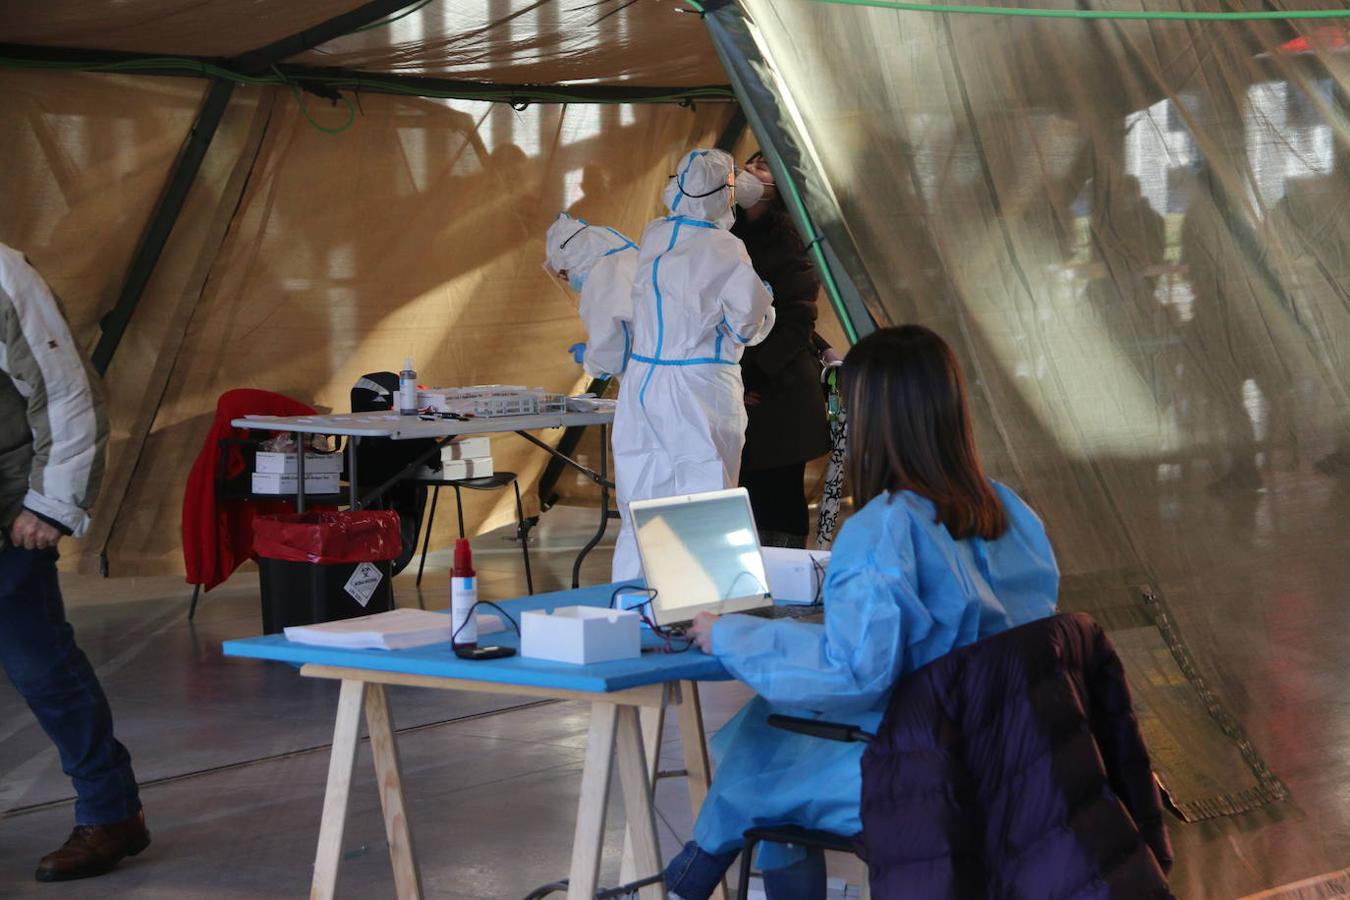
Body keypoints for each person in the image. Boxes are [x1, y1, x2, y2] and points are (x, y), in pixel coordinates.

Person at [664, 325, 1060, 900]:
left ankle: (693, 875)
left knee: (762, 746)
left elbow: (850, 672)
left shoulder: (884, 530)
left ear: (870, 418)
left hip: (916, 767)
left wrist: (731, 636)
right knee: (765, 735)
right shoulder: (1011, 511)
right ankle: (692, 870)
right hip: (1005, 754)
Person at [0, 242, 149, 881]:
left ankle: (110, 812)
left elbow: (64, 388)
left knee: (43, 670)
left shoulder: (2, 273)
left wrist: (51, 504)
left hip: (6, 521)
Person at [611, 149, 776, 581]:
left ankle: (633, 601)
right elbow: (747, 322)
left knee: (640, 495)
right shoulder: (725, 246)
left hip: (643, 379)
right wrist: (765, 304)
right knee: (707, 496)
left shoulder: (654, 233)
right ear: (727, 194)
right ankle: (708, 607)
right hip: (700, 382)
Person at [732, 152, 832, 548]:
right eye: (750, 163)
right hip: (745, 388)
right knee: (747, 497)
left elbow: (796, 320)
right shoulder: (726, 232)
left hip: (779, 393)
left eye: (762, 167)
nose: (750, 172)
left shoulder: (790, 239)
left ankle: (787, 587)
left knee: (777, 499)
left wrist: (749, 376)